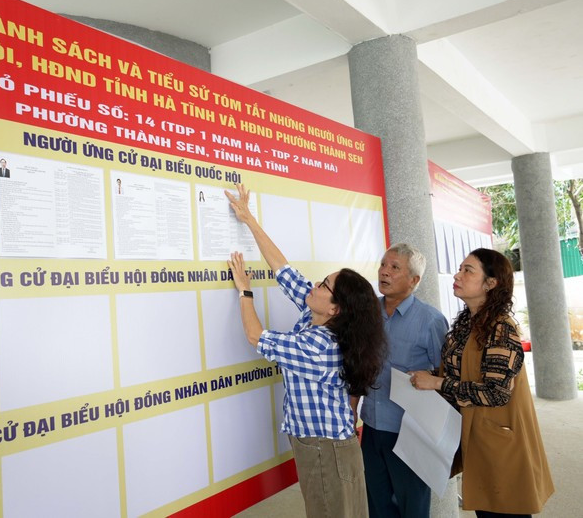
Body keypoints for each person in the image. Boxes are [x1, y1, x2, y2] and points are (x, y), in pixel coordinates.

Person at [225, 183, 386, 518]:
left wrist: (245, 292)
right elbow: (284, 271)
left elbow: (256, 337)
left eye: (324, 286)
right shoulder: (318, 316)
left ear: (336, 308)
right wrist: (248, 219)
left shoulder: (320, 345)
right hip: (325, 444)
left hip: (325, 450)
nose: (314, 285)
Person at [410, 249, 554, 517]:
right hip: (475, 434)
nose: (457, 275)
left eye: (468, 270)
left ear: (491, 283)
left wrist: (437, 383)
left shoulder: (501, 328)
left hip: (500, 439)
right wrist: (428, 376)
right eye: (460, 268)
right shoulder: (467, 322)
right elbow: (463, 370)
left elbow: (496, 392)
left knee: (504, 509)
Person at [355, 244, 448, 517]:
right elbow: (359, 365)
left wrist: (429, 377)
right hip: (371, 425)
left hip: (410, 429)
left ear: (414, 280)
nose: (384, 272)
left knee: (413, 505)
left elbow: (447, 374)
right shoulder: (369, 314)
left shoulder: (430, 320)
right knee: (378, 503)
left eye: (394, 267)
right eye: (383, 264)